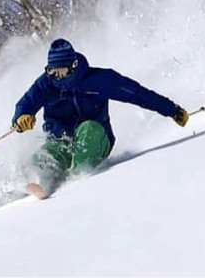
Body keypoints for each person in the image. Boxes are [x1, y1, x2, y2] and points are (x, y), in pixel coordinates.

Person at [12, 38, 189, 197]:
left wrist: (172, 110)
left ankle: (75, 179)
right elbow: (25, 104)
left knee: (89, 129)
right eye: (52, 72)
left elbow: (138, 94)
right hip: (62, 140)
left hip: (96, 137)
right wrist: (21, 119)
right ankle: (35, 180)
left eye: (61, 71)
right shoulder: (45, 85)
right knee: (47, 154)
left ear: (73, 67)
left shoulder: (99, 80)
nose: (56, 77)